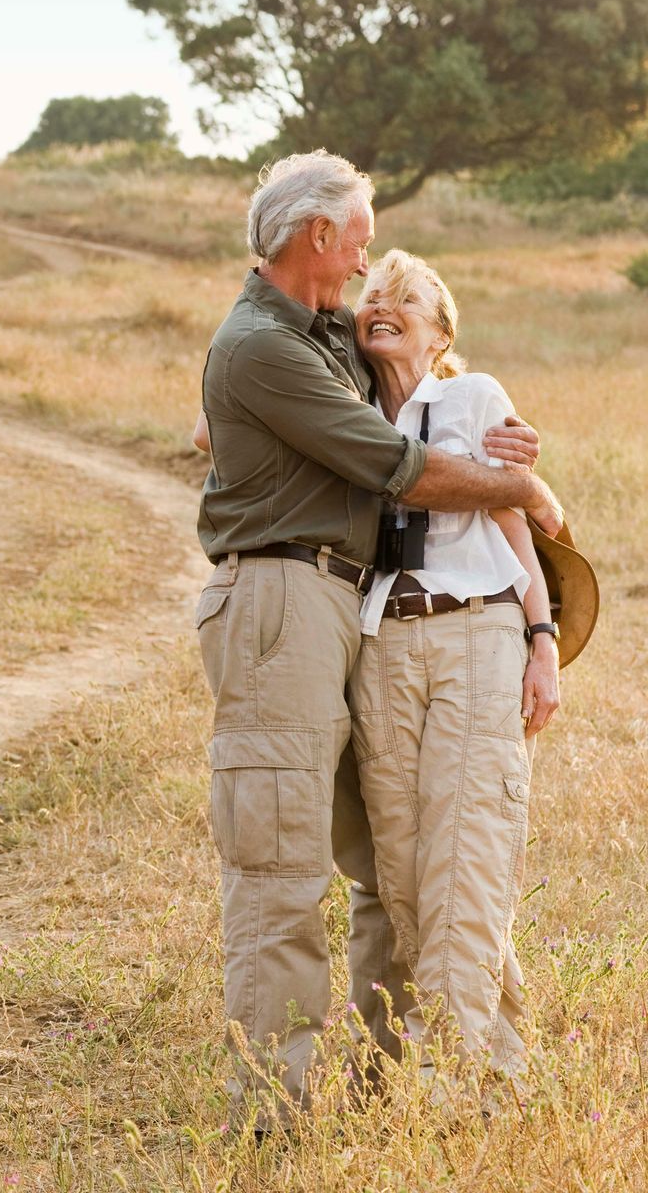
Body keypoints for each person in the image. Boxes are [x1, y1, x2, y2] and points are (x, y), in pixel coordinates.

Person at [192, 150, 560, 1125]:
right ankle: (273, 1113)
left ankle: (414, 1079)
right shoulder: (266, 344)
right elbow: (402, 466)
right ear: (318, 235)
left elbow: (220, 426)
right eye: (360, 240)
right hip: (283, 596)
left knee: (391, 861)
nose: (365, 261)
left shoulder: (317, 338)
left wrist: (536, 618)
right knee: (281, 865)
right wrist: (521, 484)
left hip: (350, 610)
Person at [349, 248, 558, 1081]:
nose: (382, 305)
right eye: (371, 296)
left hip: (475, 630)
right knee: (402, 870)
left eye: (405, 298)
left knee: (467, 855)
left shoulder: (472, 397)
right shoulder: (347, 405)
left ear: (441, 334)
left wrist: (541, 642)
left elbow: (517, 522)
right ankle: (503, 1071)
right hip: (381, 644)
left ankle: (452, 1083)